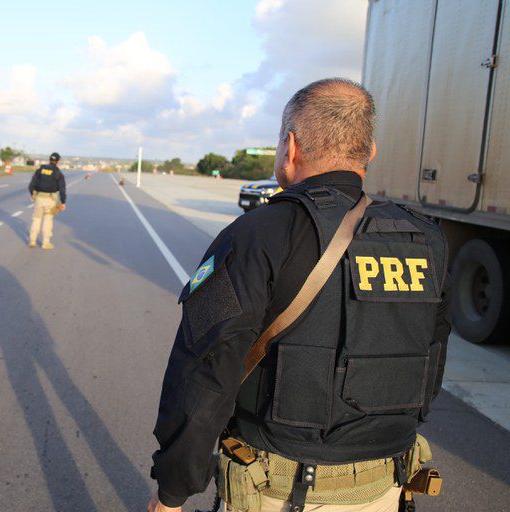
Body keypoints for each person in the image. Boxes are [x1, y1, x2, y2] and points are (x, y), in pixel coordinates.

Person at [147, 78, 450, 512]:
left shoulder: (258, 234)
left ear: (290, 146)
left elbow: (207, 369)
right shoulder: (426, 238)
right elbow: (432, 365)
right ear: (371, 151)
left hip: (280, 490)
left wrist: (173, 491)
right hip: (387, 485)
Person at [28, 152, 66, 249]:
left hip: (39, 198)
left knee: (36, 219)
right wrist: (63, 202)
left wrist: (33, 195)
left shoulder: (40, 170)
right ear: (57, 161)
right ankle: (45, 243)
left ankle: (32, 240)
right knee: (47, 220)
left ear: (50, 159)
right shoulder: (58, 173)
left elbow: (32, 184)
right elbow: (62, 189)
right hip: (51, 200)